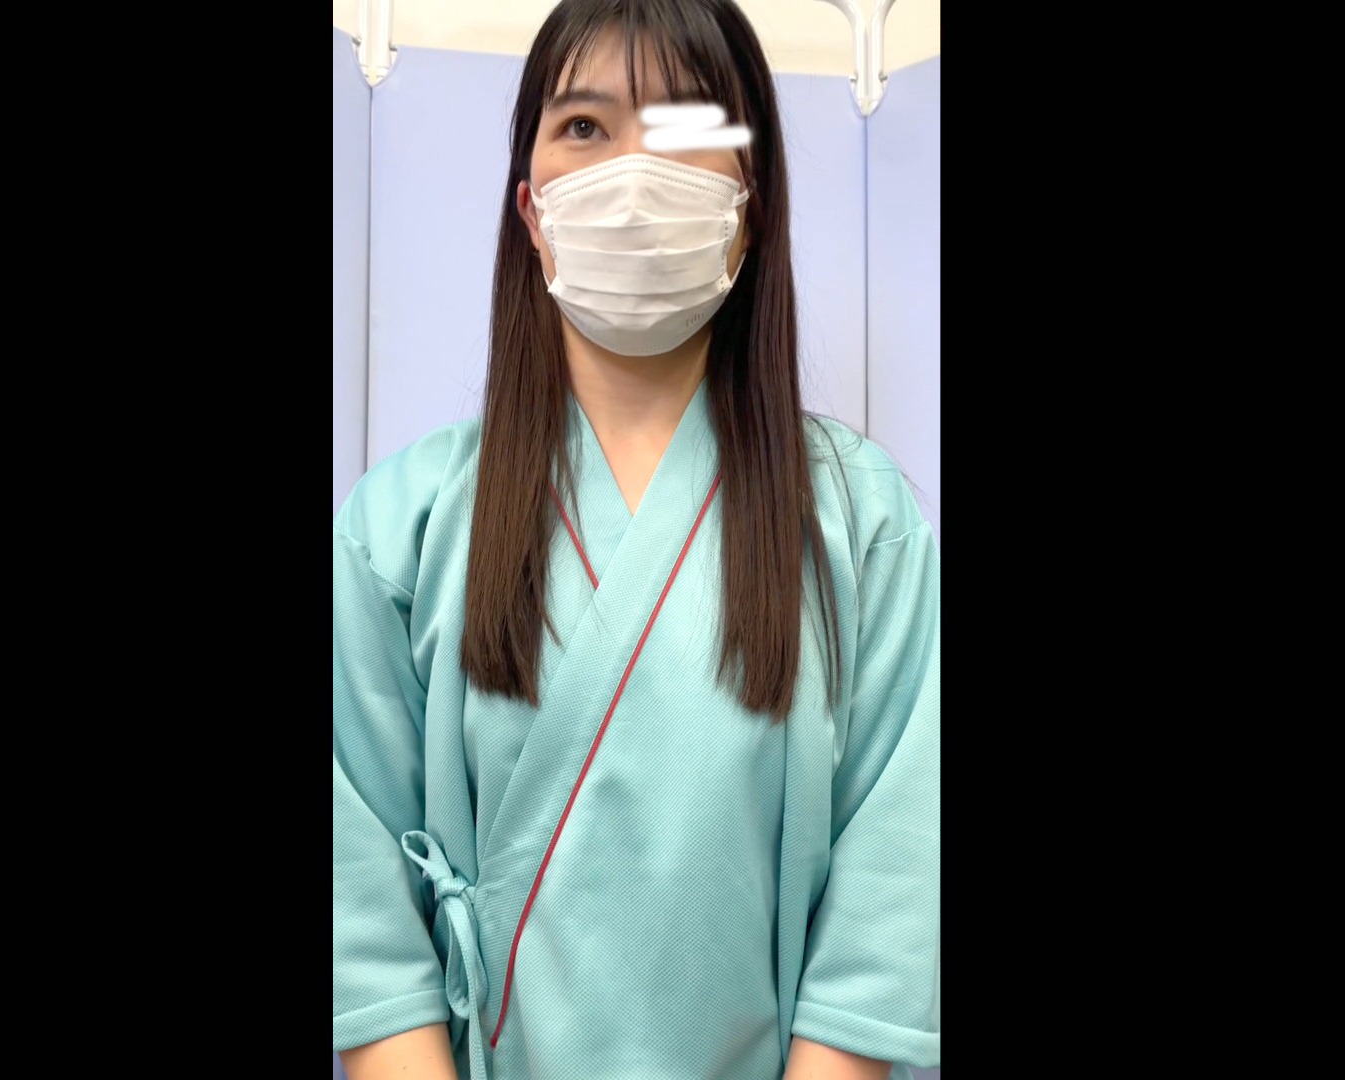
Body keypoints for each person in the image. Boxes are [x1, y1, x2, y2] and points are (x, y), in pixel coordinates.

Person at [333, 2, 939, 1077]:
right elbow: (362, 931)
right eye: (584, 126)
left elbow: (886, 921)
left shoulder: (864, 525)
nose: (633, 173)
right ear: (530, 208)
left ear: (750, 201)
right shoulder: (401, 531)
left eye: (688, 126)